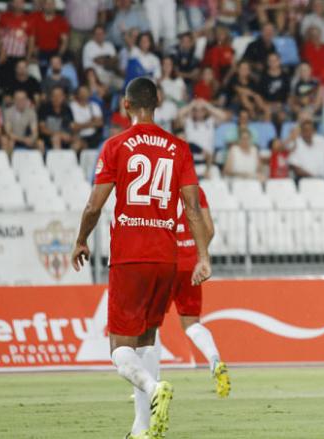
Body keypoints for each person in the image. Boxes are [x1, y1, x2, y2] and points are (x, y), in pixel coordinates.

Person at [71, 77, 212, 439]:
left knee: (120, 348)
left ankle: (153, 389)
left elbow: (94, 205)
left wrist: (81, 240)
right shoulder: (179, 148)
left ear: (125, 105)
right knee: (148, 339)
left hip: (130, 256)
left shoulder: (116, 145)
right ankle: (142, 428)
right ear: (158, 103)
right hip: (166, 258)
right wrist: (202, 255)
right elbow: (193, 208)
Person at [164, 185, 230, 398]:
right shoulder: (197, 191)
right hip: (190, 264)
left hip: (163, 263)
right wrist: (196, 253)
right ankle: (215, 362)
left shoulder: (157, 186)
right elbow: (209, 229)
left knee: (149, 326)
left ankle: (149, 385)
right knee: (192, 324)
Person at [1, 89, 39, 154]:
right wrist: (24, 140)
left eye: (23, 99)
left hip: (27, 138)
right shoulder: (8, 112)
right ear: (14, 100)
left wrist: (32, 138)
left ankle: (38, 163)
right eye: (18, 99)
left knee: (40, 144)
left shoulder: (31, 112)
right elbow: (8, 132)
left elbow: (35, 131)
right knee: (9, 142)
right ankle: (9, 163)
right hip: (14, 139)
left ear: (27, 100)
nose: (20, 101)